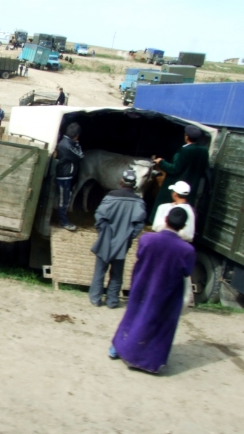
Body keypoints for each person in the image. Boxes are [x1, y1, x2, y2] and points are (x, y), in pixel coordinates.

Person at [109, 207, 196, 373]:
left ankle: (118, 349)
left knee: (132, 317)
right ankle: (150, 362)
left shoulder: (146, 239)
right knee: (159, 325)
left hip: (142, 286)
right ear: (183, 226)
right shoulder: (187, 250)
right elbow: (186, 271)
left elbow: (140, 256)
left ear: (165, 220)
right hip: (166, 293)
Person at [89, 169, 147, 308]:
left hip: (106, 239)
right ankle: (112, 301)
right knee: (116, 273)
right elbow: (139, 223)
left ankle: (96, 299)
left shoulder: (110, 197)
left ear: (121, 182)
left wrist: (102, 232)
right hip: (122, 242)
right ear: (134, 185)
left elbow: (99, 216)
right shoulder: (138, 202)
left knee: (100, 271)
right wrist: (129, 236)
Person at [151, 125, 209, 223]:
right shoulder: (204, 151)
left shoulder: (184, 151)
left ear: (186, 136)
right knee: (184, 207)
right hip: (192, 185)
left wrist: (161, 162)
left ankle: (162, 223)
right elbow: (204, 168)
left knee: (168, 206)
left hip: (176, 183)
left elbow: (175, 169)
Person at [54, 122, 83, 231]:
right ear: (76, 135)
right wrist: (77, 144)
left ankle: (63, 220)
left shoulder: (65, 143)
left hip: (66, 176)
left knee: (64, 199)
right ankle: (63, 222)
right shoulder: (67, 146)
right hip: (64, 177)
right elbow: (80, 156)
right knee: (64, 200)